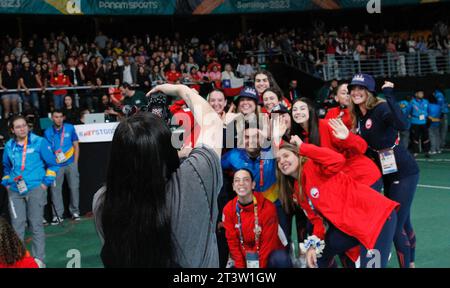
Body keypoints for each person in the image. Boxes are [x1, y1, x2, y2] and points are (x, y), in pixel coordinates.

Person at [92, 83, 223, 267]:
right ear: (166, 150)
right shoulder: (193, 178)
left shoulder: (102, 202)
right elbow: (213, 124)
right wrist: (182, 91)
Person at [276, 139, 398, 268]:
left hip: (377, 219)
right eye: (278, 160)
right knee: (320, 253)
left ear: (298, 155)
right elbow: (316, 220)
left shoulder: (313, 166)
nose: (282, 161)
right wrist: (312, 246)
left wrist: (304, 147)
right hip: (353, 227)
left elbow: (337, 160)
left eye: (286, 155)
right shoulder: (298, 189)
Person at [348, 73, 419, 268]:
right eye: (353, 89)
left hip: (404, 172)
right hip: (386, 174)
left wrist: (389, 95)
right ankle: (411, 261)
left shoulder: (381, 108)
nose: (356, 92)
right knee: (403, 221)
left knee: (395, 228)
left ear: (369, 91)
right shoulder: (360, 116)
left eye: (361, 88)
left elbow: (403, 125)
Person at [2, 115, 59, 267]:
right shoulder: (9, 146)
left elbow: (53, 164)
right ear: (13, 130)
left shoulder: (39, 142)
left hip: (35, 188)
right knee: (17, 226)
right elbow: (6, 168)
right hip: (15, 190)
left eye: (24, 125)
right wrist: (7, 184)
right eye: (18, 127)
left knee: (36, 225)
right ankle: (18, 261)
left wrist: (44, 184)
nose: (22, 129)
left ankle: (39, 260)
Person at [222, 169, 284, 268]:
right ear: (233, 186)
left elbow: (268, 245)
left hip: (268, 255)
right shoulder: (228, 209)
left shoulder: (268, 207)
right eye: (237, 180)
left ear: (253, 185)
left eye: (246, 180)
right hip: (244, 255)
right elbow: (233, 243)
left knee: (281, 258)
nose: (241, 183)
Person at [44, 110, 80, 225]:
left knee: (74, 188)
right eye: (56, 117)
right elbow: (47, 150)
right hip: (56, 166)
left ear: (63, 118)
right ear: (52, 118)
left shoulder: (70, 128)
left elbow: (76, 145)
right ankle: (57, 216)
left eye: (60, 117)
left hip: (70, 164)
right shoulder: (47, 132)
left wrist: (75, 162)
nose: (58, 119)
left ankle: (75, 212)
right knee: (55, 190)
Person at [409, 90, 430, 157]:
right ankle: (415, 152)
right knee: (415, 137)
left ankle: (427, 151)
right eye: (420, 93)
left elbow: (428, 110)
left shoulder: (426, 101)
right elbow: (408, 111)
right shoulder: (412, 102)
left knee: (426, 137)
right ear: (416, 94)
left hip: (424, 122)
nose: (422, 94)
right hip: (415, 122)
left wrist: (426, 115)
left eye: (422, 93)